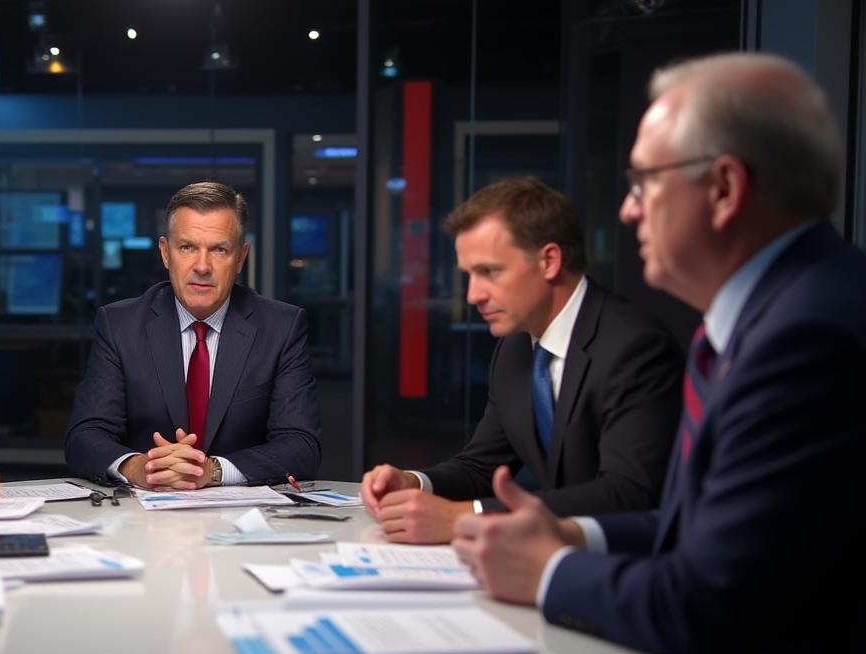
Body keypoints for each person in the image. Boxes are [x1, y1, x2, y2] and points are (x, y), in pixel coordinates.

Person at [453, 53, 865, 654]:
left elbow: (710, 604)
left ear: (724, 188)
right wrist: (571, 535)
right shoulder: (769, 314)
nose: (626, 208)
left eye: (645, 181)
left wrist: (548, 571)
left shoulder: (805, 338)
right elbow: (694, 531)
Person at [361, 178, 682, 544]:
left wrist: (465, 516)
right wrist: (415, 482)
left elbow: (628, 494)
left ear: (549, 261)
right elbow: (482, 466)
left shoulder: (634, 347)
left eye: (490, 272)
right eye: (468, 275)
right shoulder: (515, 348)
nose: (473, 295)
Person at [64, 181, 320, 489]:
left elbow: (301, 444)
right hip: (143, 512)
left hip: (243, 512)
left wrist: (211, 470)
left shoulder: (282, 327)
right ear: (165, 253)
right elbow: (85, 436)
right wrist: (139, 467)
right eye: (187, 247)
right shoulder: (120, 325)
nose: (202, 266)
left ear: (240, 258)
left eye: (219, 250)